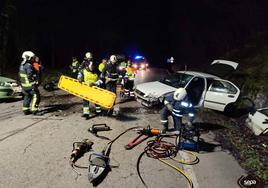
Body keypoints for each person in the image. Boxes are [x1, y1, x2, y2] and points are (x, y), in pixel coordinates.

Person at [19, 51, 41, 115]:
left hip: (24, 85)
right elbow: (30, 75)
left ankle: (26, 110)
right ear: (27, 57)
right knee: (36, 95)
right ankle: (34, 110)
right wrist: (34, 82)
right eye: (32, 58)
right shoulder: (28, 65)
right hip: (29, 85)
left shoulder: (22, 64)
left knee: (27, 96)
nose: (33, 59)